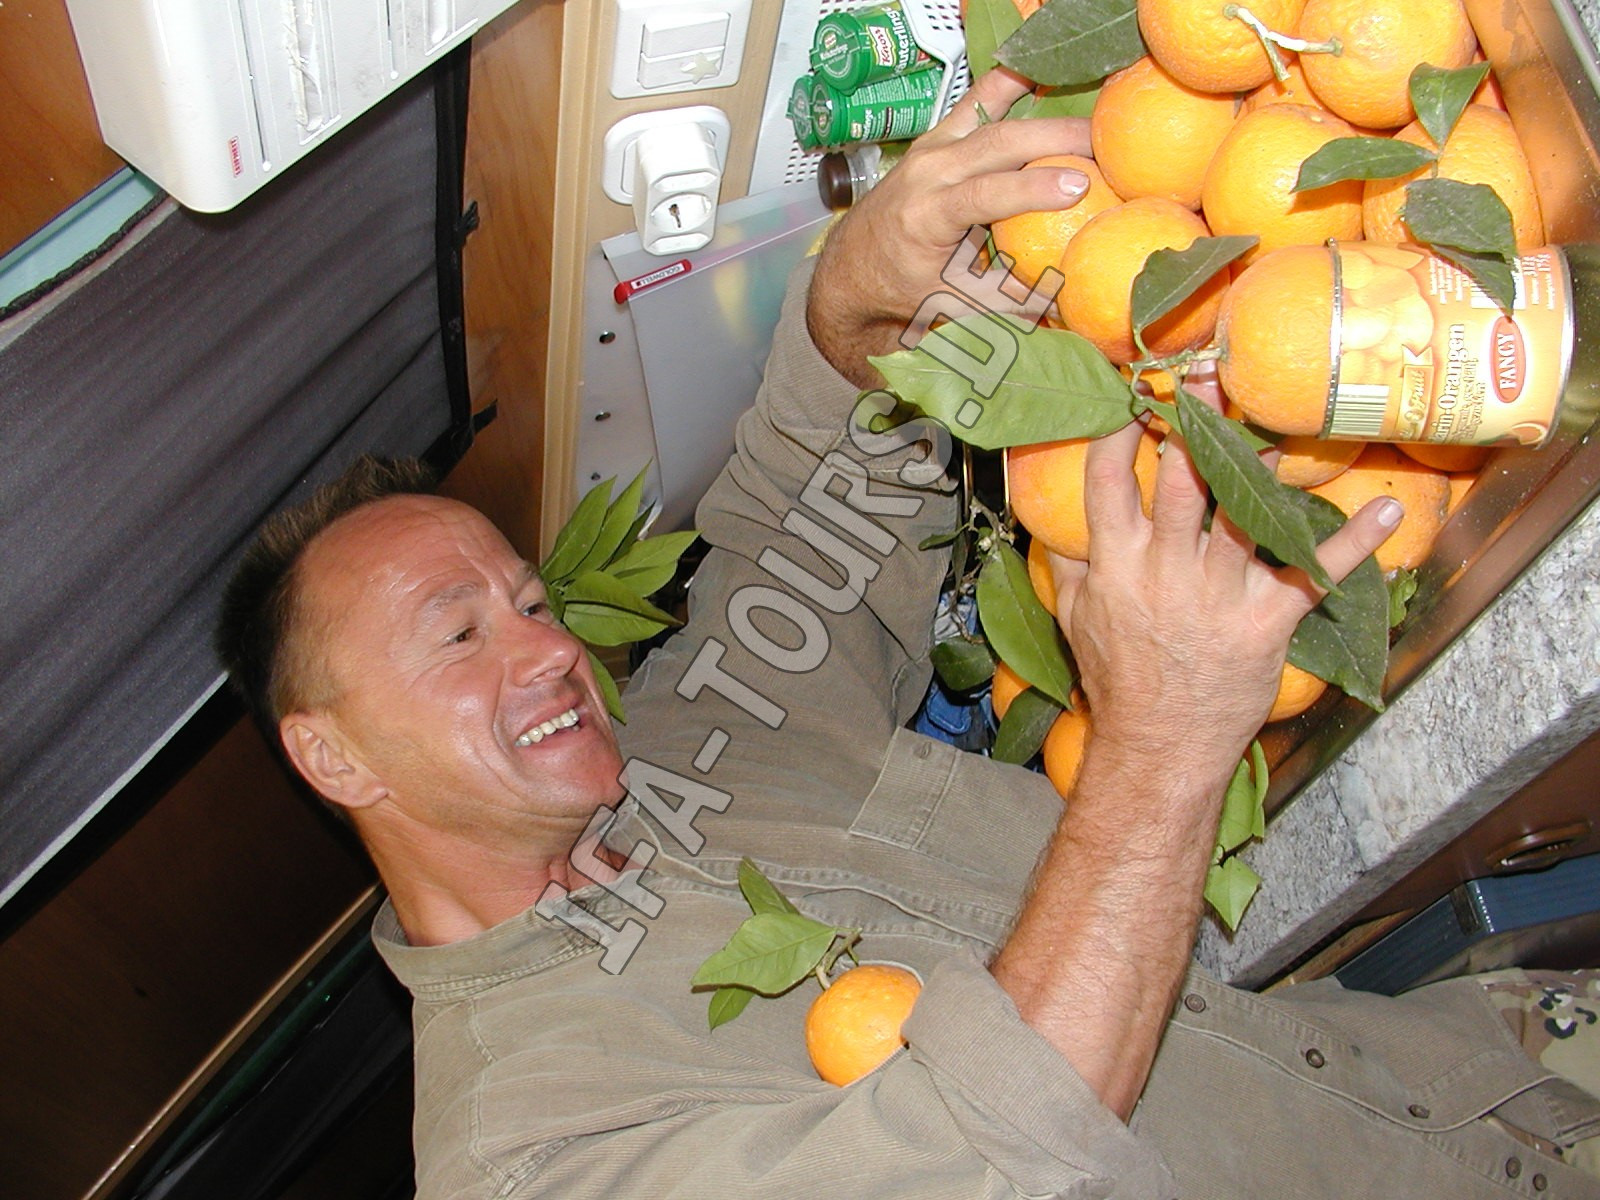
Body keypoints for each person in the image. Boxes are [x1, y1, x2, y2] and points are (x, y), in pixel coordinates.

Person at [217, 69, 1600, 1199]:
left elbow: (798, 521)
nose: (545, 650)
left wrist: (854, 311)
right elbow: (995, 1164)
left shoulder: (679, 764)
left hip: (1481, 1084)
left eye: (529, 602)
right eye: (458, 637)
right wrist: (1163, 742)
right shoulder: (529, 1151)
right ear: (334, 756)